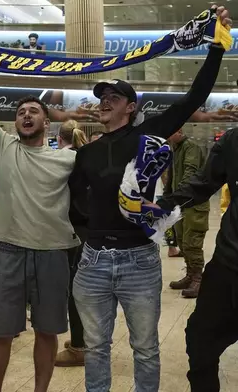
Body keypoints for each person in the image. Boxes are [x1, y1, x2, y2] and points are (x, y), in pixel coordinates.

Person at [69, 7, 228, 390]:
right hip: (92, 264)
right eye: (101, 96)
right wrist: (88, 235)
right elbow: (74, 201)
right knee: (95, 347)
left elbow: (194, 97)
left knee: (145, 348)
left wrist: (218, 46)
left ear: (131, 107)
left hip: (139, 260)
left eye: (114, 96)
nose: (105, 100)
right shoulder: (86, 152)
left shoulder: (150, 135)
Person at [0, 56, 80, 392]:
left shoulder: (68, 159)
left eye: (33, 112)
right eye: (20, 113)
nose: (26, 115)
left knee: (47, 332)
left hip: (53, 254)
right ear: (14, 123)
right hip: (7, 253)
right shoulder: (3, 147)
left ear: (47, 123)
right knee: (0, 333)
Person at [155, 128, 237, 392]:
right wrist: (164, 204)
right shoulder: (233, 141)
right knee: (201, 337)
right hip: (228, 262)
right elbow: (204, 182)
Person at [55, 120, 88, 368]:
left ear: (59, 139)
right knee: (87, 289)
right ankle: (85, 340)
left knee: (74, 290)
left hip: (70, 231)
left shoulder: (59, 161)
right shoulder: (86, 158)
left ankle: (79, 347)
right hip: (90, 230)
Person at [165, 129, 210, 298]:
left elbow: (189, 174)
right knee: (182, 241)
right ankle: (191, 275)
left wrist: (177, 196)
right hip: (180, 204)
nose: (167, 138)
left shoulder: (191, 148)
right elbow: (171, 176)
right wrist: (168, 197)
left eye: (170, 133)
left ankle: (198, 278)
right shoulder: (175, 149)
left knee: (192, 242)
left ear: (179, 131)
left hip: (194, 203)